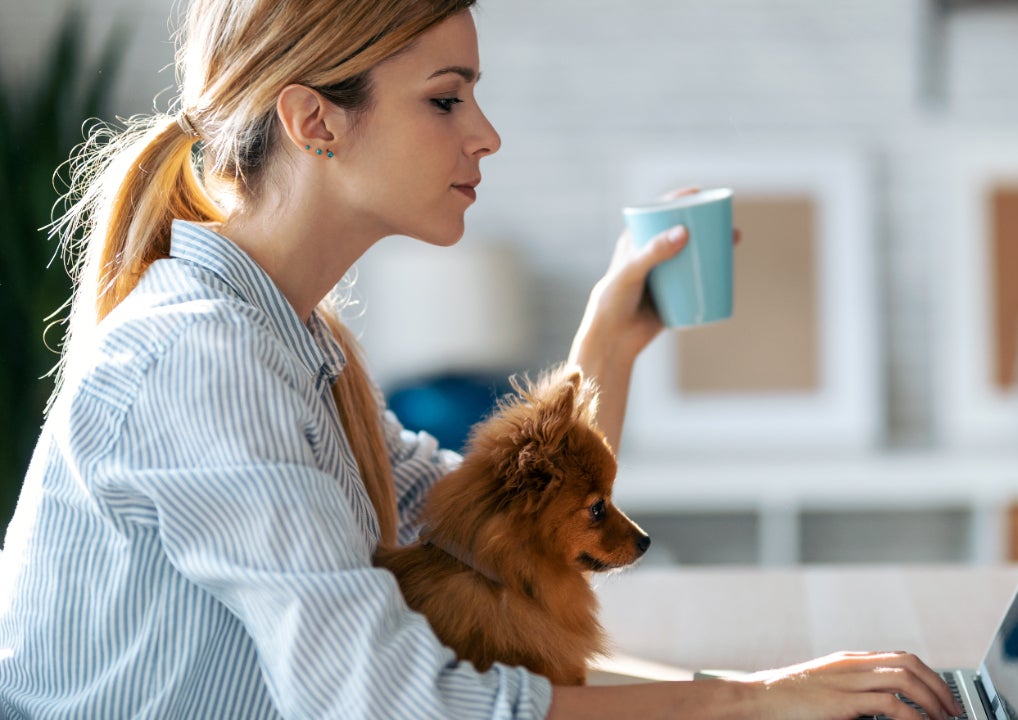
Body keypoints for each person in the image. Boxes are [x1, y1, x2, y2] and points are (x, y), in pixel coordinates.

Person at [0, 1, 964, 718]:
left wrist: (606, 349)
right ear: (315, 121)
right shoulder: (201, 358)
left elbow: (482, 529)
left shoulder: (291, 345)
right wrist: (742, 702)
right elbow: (392, 700)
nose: (486, 135)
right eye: (446, 99)